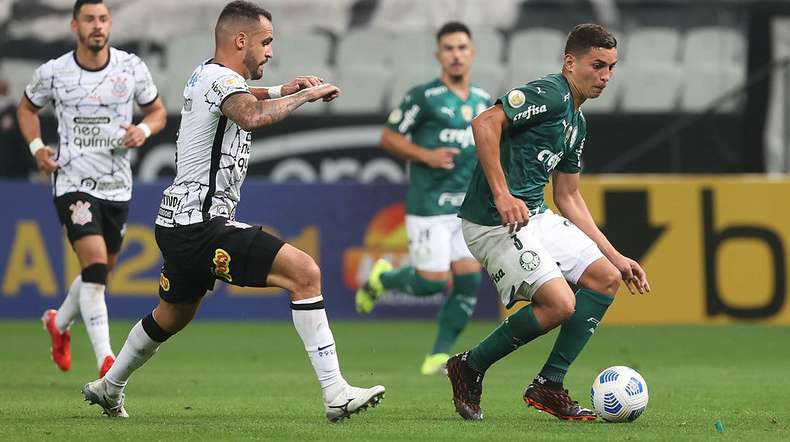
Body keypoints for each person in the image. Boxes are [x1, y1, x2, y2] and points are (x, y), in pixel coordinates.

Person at [81, 1, 385, 422]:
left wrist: (285, 89)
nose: (270, 52)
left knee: (172, 315)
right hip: (202, 224)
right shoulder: (221, 79)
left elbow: (245, 96)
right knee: (305, 273)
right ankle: (334, 392)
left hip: (177, 223)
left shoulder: (204, 75)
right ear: (240, 40)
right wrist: (308, 96)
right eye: (266, 42)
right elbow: (252, 115)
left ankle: (108, 386)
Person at [446, 23, 650, 421]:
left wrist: (617, 256)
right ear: (570, 62)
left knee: (605, 277)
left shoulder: (578, 123)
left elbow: (568, 197)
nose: (605, 76)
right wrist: (503, 194)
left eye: (611, 67)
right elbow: (485, 123)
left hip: (534, 216)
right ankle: (468, 366)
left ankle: (549, 385)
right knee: (560, 304)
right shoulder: (551, 93)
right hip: (492, 220)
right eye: (598, 65)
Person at [16, 0, 166, 377]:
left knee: (98, 273)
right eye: (89, 20)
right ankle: (106, 361)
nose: (97, 26)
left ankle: (58, 322)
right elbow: (26, 109)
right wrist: (37, 149)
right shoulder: (54, 73)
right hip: (71, 181)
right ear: (74, 26)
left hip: (117, 185)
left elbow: (158, 112)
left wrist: (143, 130)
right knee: (96, 268)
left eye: (102, 19)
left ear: (110, 24)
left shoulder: (131, 68)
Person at [355, 22, 490, 376]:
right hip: (429, 204)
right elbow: (389, 136)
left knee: (468, 280)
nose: (456, 54)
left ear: (472, 53)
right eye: (449, 48)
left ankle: (439, 355)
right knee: (431, 281)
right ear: (438, 55)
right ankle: (383, 278)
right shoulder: (423, 97)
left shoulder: (481, 99)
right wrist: (425, 155)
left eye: (462, 47)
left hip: (467, 208)